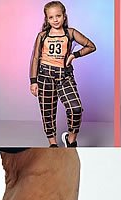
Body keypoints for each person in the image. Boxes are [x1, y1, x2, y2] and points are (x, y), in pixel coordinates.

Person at [29, 2, 96, 148]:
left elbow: (91, 46)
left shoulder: (70, 33)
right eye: (51, 17)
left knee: (75, 108)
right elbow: (35, 58)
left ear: (64, 16)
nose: (55, 20)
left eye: (58, 16)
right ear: (47, 19)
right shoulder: (42, 36)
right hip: (45, 76)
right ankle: (53, 145)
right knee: (47, 112)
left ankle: (71, 141)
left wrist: (74, 55)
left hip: (64, 77)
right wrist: (33, 81)